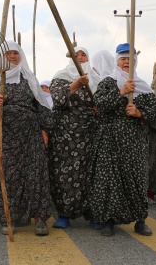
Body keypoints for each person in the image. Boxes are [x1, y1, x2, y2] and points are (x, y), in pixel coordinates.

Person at [0, 42, 54, 236]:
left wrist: (45, 130)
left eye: (15, 53)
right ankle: (9, 218)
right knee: (6, 176)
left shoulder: (28, 77)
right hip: (4, 134)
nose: (12, 56)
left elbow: (41, 105)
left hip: (30, 135)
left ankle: (39, 219)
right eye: (8, 53)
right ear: (1, 56)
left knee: (34, 174)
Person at [90, 43, 156, 237]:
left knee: (137, 180)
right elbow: (100, 107)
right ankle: (109, 220)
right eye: (123, 59)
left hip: (135, 142)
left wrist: (139, 113)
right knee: (110, 181)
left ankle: (140, 220)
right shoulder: (108, 83)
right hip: (110, 141)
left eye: (130, 59)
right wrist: (121, 92)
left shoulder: (144, 88)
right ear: (117, 61)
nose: (127, 62)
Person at [48, 46, 100, 228]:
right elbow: (57, 99)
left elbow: (104, 103)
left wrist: (98, 108)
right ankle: (64, 214)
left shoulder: (97, 79)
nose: (80, 57)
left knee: (91, 172)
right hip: (65, 134)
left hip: (91, 132)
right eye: (76, 55)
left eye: (83, 54)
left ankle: (93, 214)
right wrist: (76, 85)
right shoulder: (61, 76)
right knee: (65, 171)